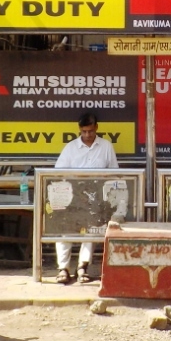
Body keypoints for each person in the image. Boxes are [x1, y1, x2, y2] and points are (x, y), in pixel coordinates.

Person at [53, 111, 118, 285]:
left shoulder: (106, 147)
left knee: (91, 231)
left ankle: (83, 267)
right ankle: (63, 269)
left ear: (96, 128)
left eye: (90, 131)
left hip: (96, 197)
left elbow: (114, 174)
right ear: (79, 130)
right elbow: (58, 173)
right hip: (72, 196)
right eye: (84, 132)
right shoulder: (71, 147)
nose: (87, 135)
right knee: (65, 231)